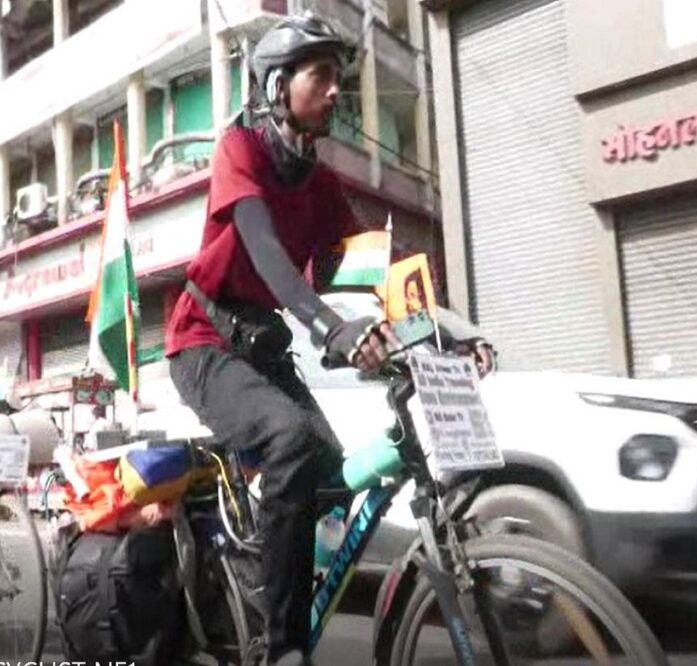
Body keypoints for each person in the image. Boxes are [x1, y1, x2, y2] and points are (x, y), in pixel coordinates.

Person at [165, 14, 492, 665]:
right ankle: (279, 644)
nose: (336, 91)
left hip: (261, 347)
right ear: (278, 84)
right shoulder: (242, 150)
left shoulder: (321, 184)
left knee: (333, 471)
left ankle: (268, 546)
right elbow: (268, 260)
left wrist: (442, 334)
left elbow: (374, 269)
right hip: (204, 341)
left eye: (339, 78)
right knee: (289, 441)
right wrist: (331, 329)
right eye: (322, 76)